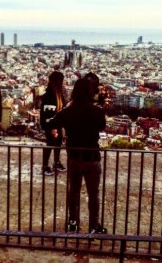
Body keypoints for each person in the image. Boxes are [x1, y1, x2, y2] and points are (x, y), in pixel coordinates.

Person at [47, 79, 107, 234]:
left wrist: (56, 129)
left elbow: (50, 123)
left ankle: (72, 222)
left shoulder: (68, 111)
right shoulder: (97, 111)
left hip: (74, 157)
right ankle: (94, 226)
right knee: (93, 194)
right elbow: (101, 126)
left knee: (73, 191)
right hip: (93, 157)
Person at [40, 71, 66, 176]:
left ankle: (56, 162)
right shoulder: (50, 95)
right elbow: (48, 113)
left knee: (58, 143)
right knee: (50, 143)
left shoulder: (57, 93)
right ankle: (45, 166)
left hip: (56, 123)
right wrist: (52, 128)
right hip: (51, 124)